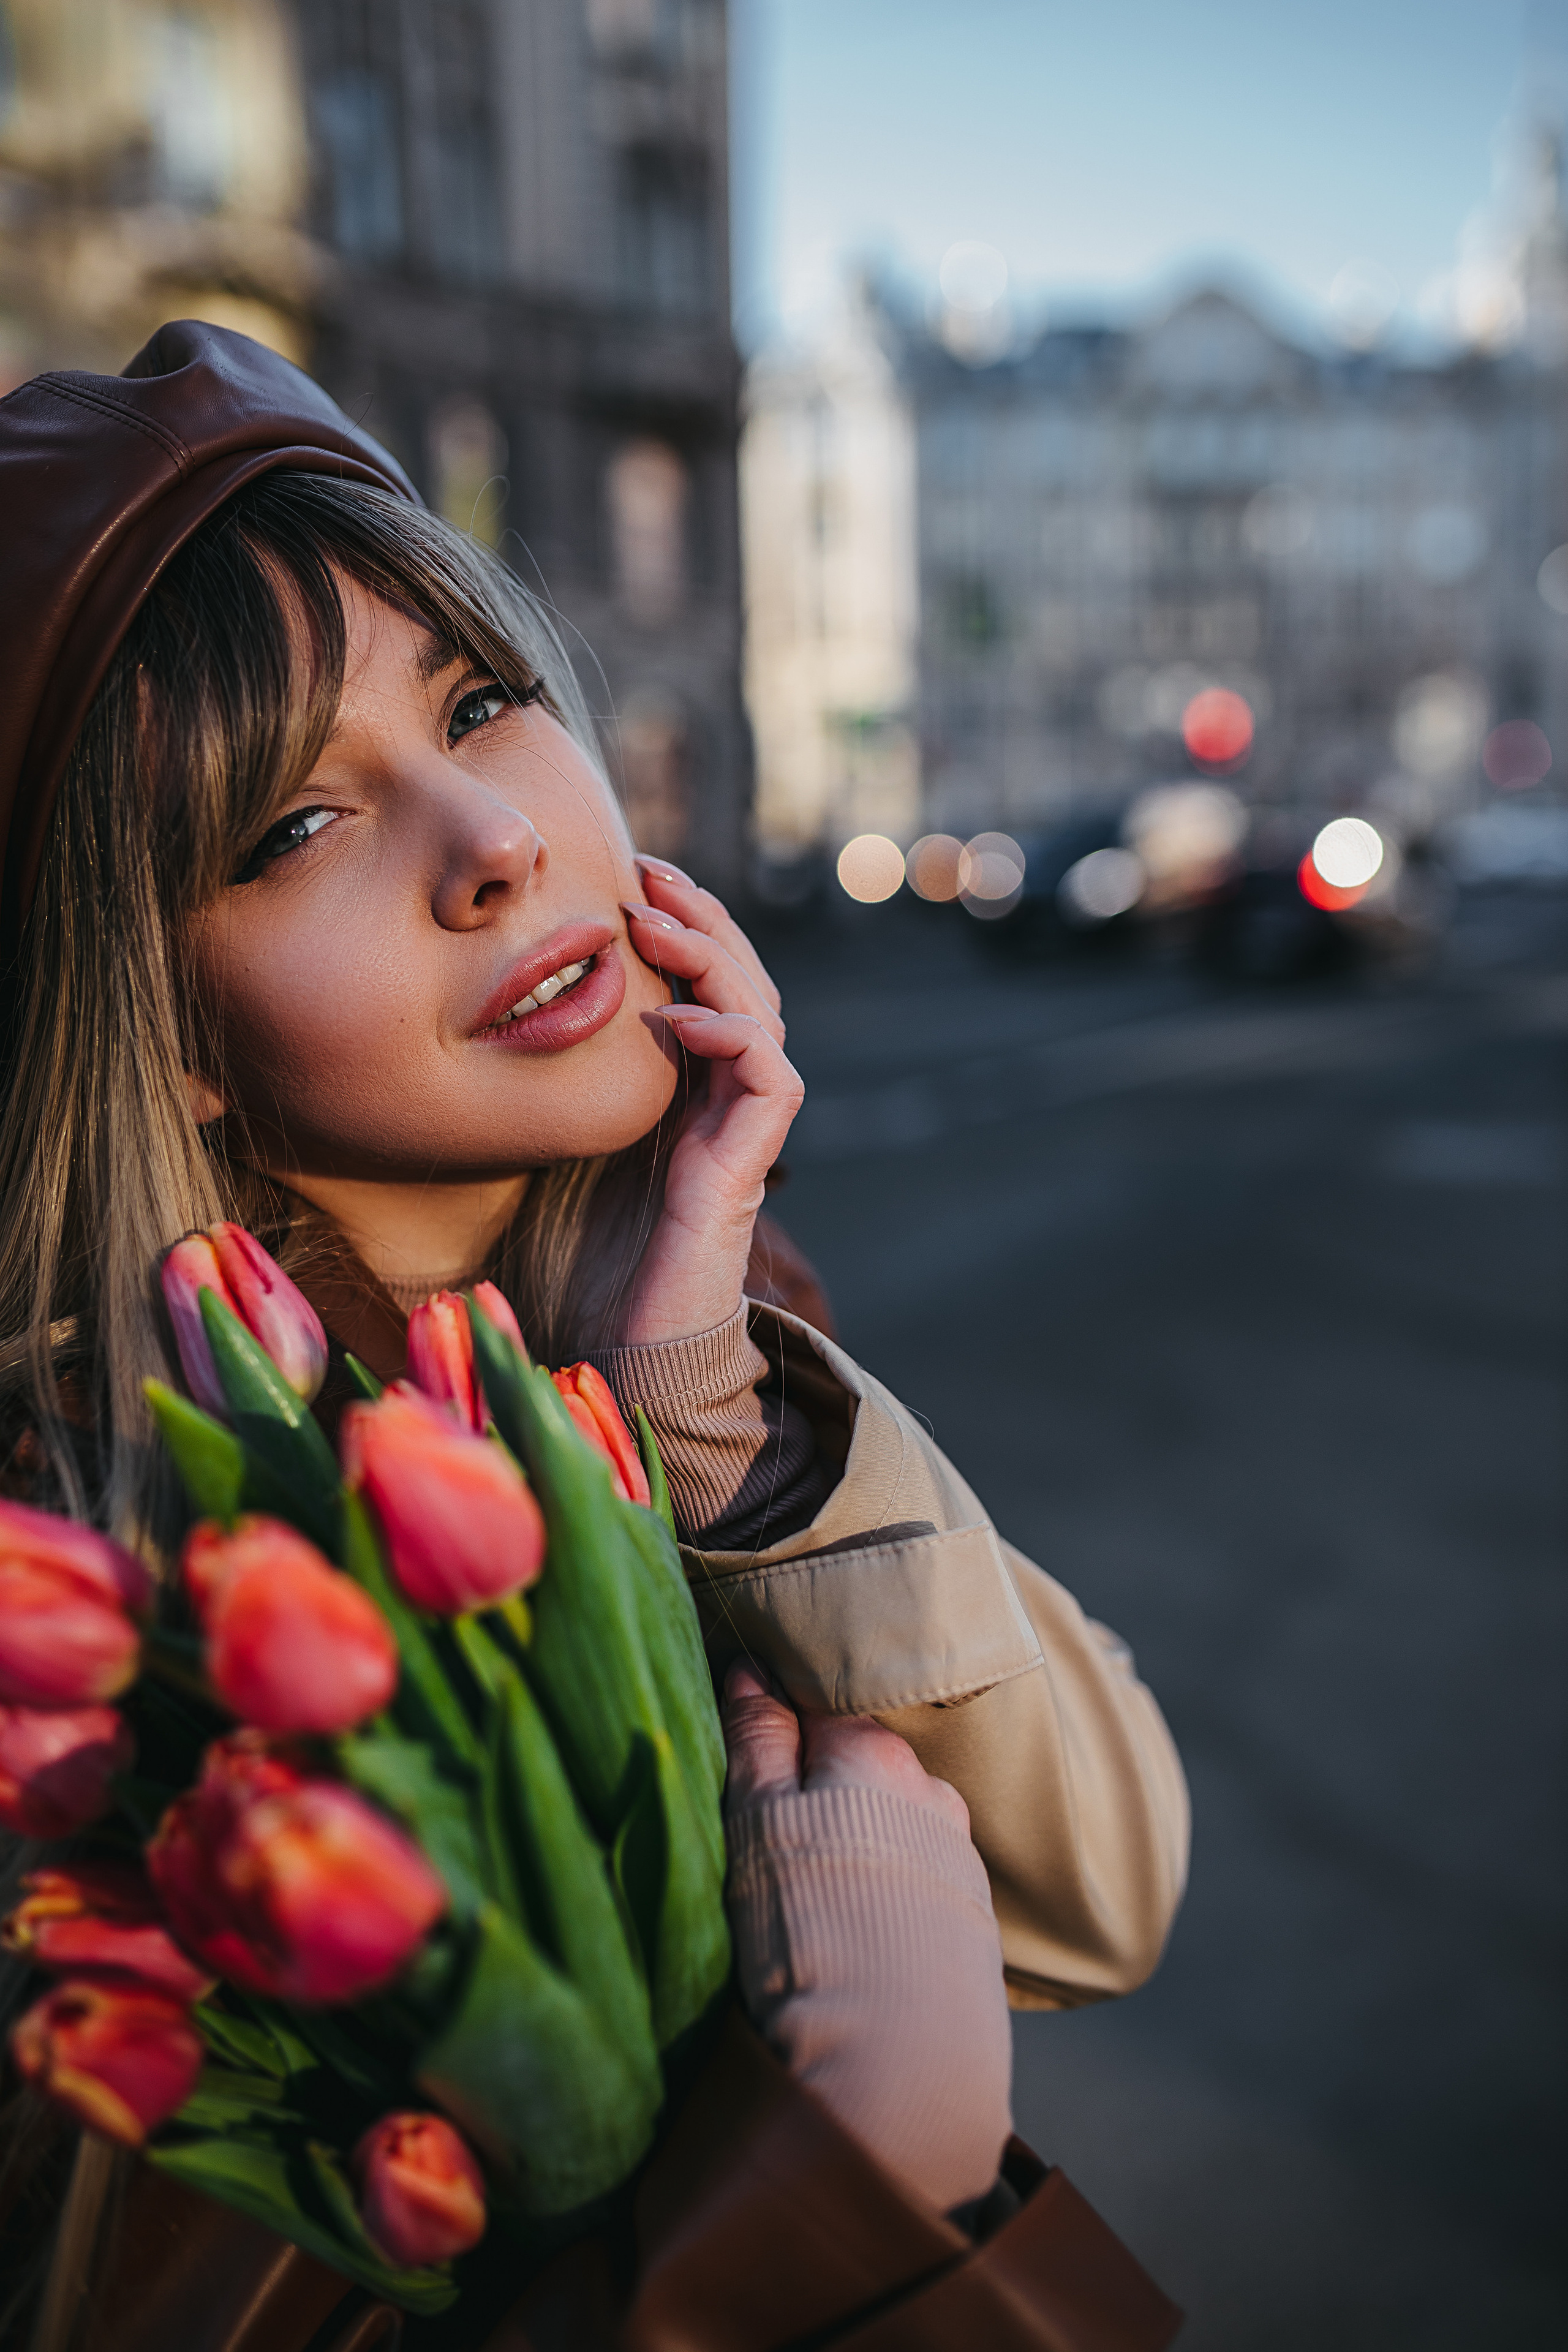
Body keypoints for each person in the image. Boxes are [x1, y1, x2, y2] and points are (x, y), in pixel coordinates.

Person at [0, 323, 1188, 2350]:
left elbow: (1100, 1889)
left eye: (483, 701)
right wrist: (848, 2182)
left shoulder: (679, 1310)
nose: (496, 840)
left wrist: (708, 1400)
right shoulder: (113, 1618)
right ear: (157, 1027)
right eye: (294, 827)